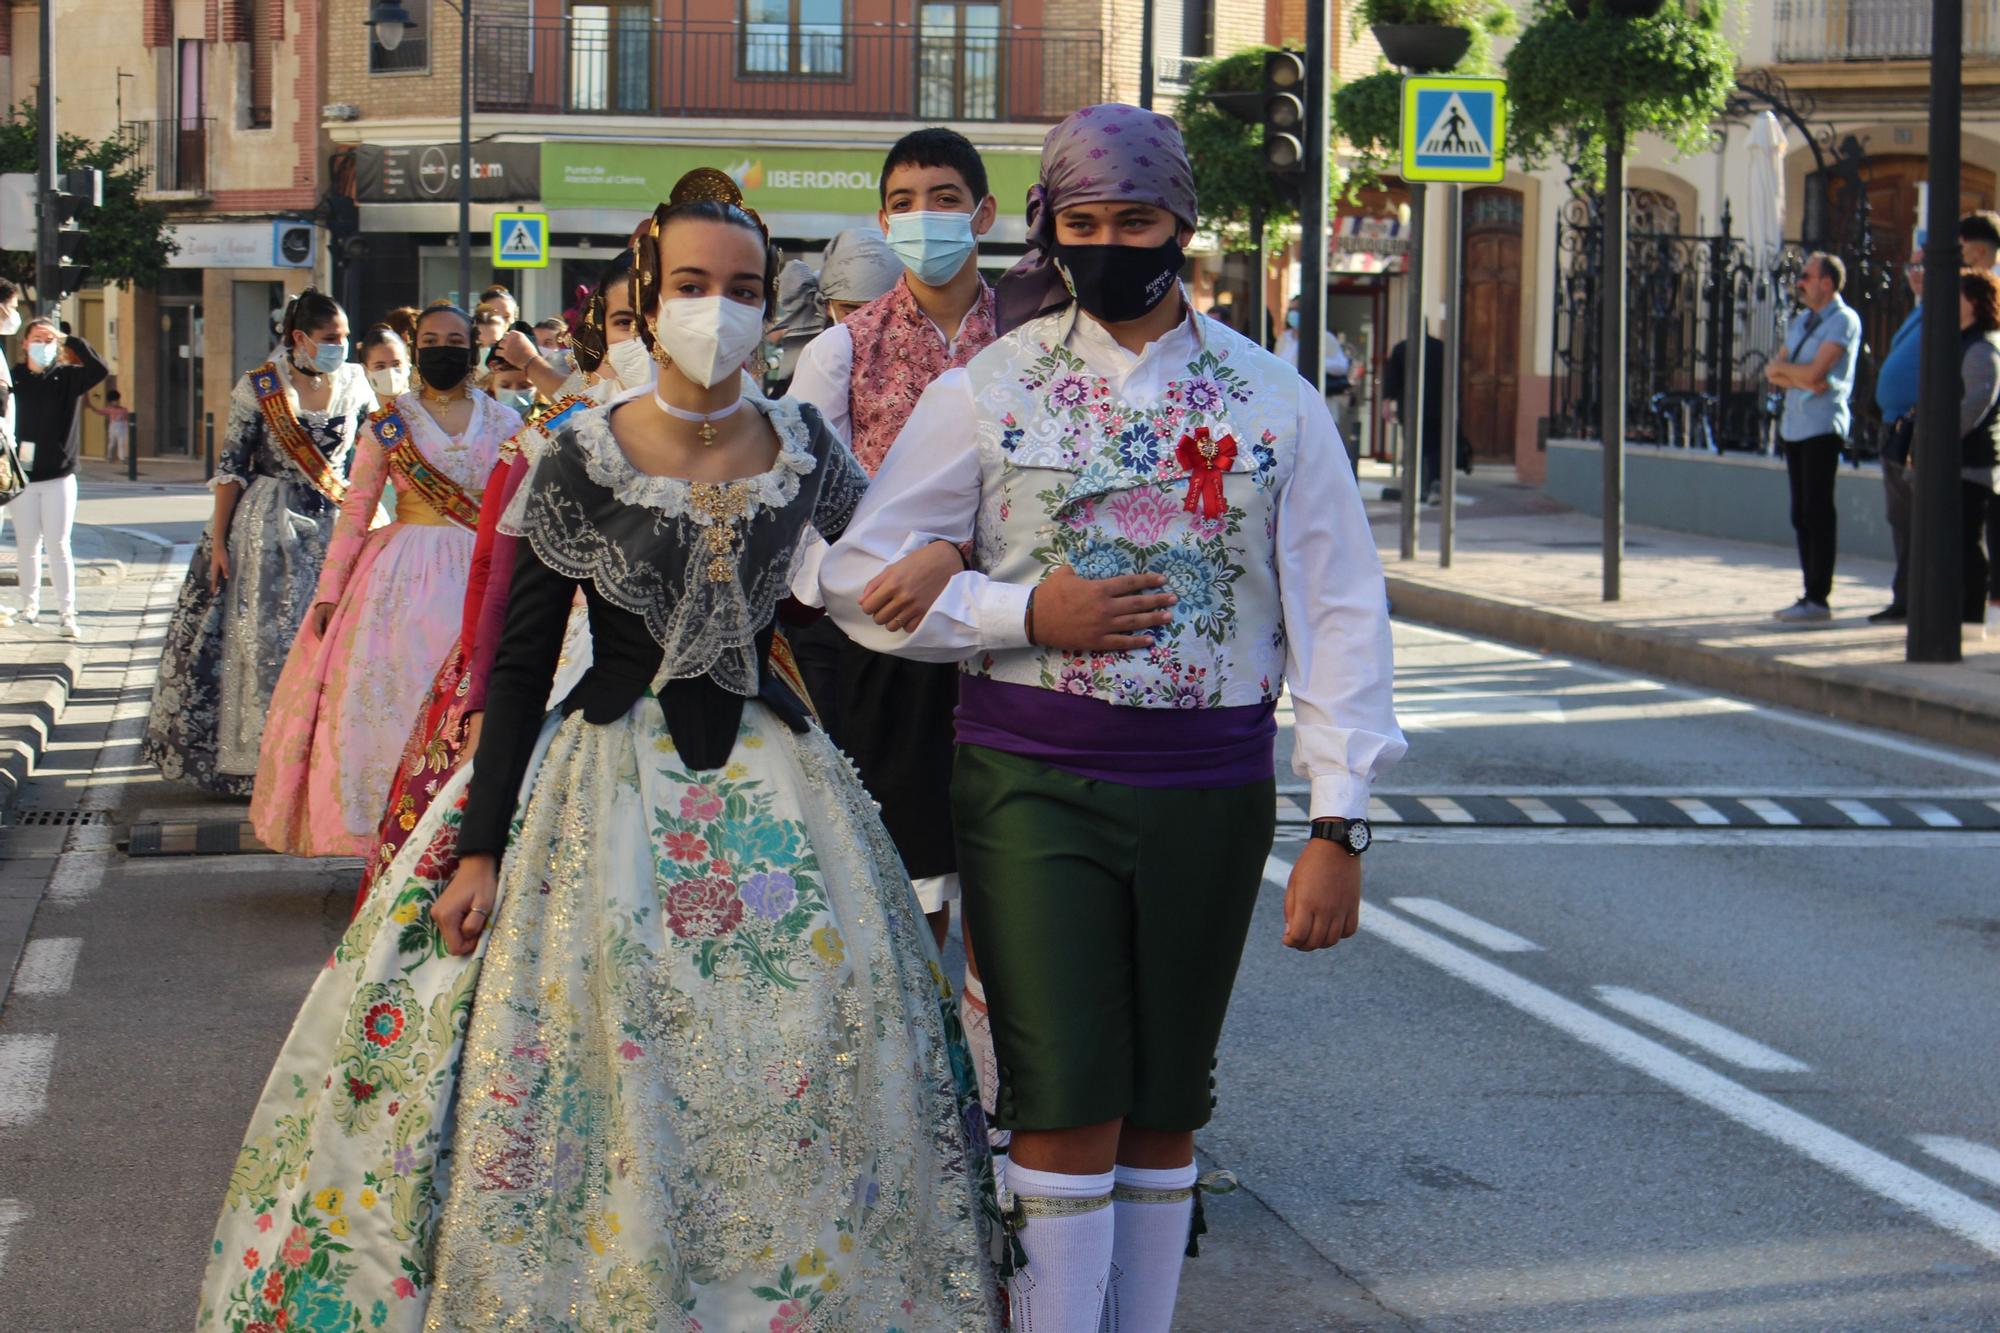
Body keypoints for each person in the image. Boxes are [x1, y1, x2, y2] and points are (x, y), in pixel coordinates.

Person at [195, 169, 1001, 1332]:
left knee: (801, 1061)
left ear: (766, 304)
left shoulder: (806, 445)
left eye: (736, 288)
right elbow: (520, 665)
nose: (711, 308)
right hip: (601, 794)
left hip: (783, 795)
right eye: (686, 284)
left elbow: (877, 572)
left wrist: (936, 563)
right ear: (645, 290)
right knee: (597, 1075)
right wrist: (476, 852)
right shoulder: (581, 451)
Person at [821, 103, 1405, 1333]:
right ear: (1047, 229)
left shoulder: (1272, 402)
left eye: (1132, 220)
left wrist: (1338, 822)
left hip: (1208, 792)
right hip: (1030, 787)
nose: (1106, 244)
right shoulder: (991, 388)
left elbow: (1339, 614)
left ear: (1181, 224)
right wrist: (1018, 606)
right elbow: (858, 585)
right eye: (1079, 223)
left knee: (1163, 1098)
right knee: (1061, 1091)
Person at [353, 247, 646, 911]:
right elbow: (496, 570)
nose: (651, 337)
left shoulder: (749, 442)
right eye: (630, 320)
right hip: (568, 676)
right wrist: (482, 698)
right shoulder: (553, 437)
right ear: (602, 329)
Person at [249, 302, 518, 857]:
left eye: (455, 339)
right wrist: (329, 591)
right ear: (416, 347)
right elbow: (357, 509)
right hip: (398, 580)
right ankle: (386, 837)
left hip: (483, 574)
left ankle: (460, 835)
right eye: (432, 339)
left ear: (475, 348)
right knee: (387, 709)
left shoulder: (505, 421)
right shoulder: (390, 423)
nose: (444, 348)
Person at [144, 291, 375, 795]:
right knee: (266, 643)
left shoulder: (357, 382)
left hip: (337, 521)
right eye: (331, 339)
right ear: (299, 339)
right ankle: (260, 760)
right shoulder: (260, 388)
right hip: (268, 526)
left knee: (335, 644)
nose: (342, 346)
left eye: (345, 337)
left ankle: (326, 758)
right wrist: (220, 540)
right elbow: (231, 468)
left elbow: (373, 453)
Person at [1766, 251, 1863, 624]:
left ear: (1827, 282)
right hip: (1795, 425)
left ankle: (1818, 597)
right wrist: (1797, 374)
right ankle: (1808, 592)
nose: (1800, 282)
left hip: (1822, 426)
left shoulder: (1843, 321)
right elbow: (1776, 371)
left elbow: (1818, 372)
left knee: (1817, 511)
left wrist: (1793, 373)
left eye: (1806, 276)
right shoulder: (1803, 321)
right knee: (1800, 513)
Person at [1, 318, 109, 636]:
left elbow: (99, 368)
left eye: (49, 340)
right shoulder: (15, 379)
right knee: (27, 546)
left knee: (59, 545)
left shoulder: (67, 378)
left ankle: (66, 612)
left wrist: (69, 339)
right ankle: (29, 607)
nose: (42, 345)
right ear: (23, 343)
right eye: (36, 338)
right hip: (22, 478)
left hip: (59, 477)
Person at [762, 227, 903, 395]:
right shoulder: (805, 376)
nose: (865, 323)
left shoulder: (922, 365)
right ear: (827, 306)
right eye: (851, 311)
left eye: (879, 311)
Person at [1869, 260, 1924, 624]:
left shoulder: (1945, 311)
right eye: (1912, 264)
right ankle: (1904, 596)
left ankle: (1914, 599)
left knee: (1914, 518)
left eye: (1922, 264)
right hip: (1895, 425)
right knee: (1900, 517)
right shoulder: (1918, 312)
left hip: (1914, 428)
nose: (1913, 271)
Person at [1955, 268, 2000, 629]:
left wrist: (1938, 436)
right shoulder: (1962, 341)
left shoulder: (1981, 347)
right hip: (1957, 458)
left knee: (1968, 540)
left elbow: (1976, 402)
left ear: (1973, 302)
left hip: (1971, 461)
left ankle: (1970, 617)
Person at [1383, 328, 1469, 502]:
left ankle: (1412, 484)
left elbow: (1392, 379)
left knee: (1413, 447)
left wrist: (1386, 403)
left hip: (1410, 409)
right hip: (1438, 408)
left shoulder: (1402, 348)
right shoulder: (1442, 348)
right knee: (1435, 449)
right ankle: (1434, 485)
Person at [1274, 295, 1352, 395]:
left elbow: (1341, 366)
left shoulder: (1325, 338)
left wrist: (1315, 361)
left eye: (1297, 310)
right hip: (1286, 396)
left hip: (1312, 396)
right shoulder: (1284, 338)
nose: (1293, 313)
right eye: (1291, 309)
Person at [357, 324, 409, 401]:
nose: (390, 372)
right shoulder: (355, 409)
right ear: (365, 369)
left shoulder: (425, 407)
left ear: (407, 362)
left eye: (396, 364)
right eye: (380, 366)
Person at [85, 388, 131, 462]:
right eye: (114, 401)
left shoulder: (124, 409)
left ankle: (122, 458)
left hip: (122, 428)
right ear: (110, 402)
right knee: (111, 444)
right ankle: (109, 456)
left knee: (121, 443)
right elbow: (99, 411)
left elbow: (127, 418)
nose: (116, 402)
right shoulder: (109, 409)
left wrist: (128, 425)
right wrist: (91, 406)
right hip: (113, 428)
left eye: (117, 400)